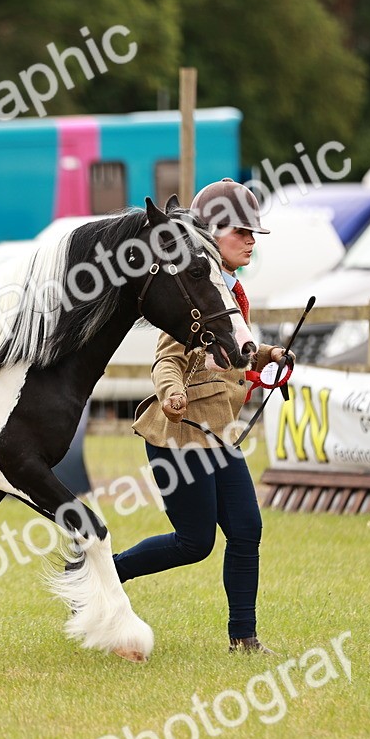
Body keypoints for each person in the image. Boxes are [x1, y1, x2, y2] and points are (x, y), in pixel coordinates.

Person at [115, 178, 293, 654]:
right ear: (212, 236)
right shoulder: (195, 293)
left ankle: (244, 640)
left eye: (254, 233)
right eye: (242, 232)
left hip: (217, 434)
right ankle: (103, 575)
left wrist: (269, 354)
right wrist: (171, 392)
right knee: (193, 543)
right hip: (178, 435)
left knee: (247, 530)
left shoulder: (230, 292)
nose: (252, 240)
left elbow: (230, 355)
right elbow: (167, 360)